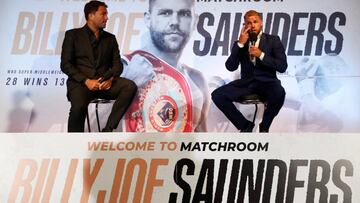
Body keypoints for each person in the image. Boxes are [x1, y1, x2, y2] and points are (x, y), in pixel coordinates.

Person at [120, 0, 209, 132]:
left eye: (184, 14)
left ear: (194, 21)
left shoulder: (197, 80)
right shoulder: (125, 66)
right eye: (165, 13)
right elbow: (94, 128)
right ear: (148, 19)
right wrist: (128, 85)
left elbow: (201, 143)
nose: (175, 22)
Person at [60, 0, 137, 132]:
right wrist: (86, 81)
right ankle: (73, 143)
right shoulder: (72, 35)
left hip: (104, 84)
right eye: (103, 14)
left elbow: (118, 65)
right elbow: (65, 64)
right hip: (81, 84)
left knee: (129, 87)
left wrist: (110, 79)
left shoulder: (110, 38)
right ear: (91, 15)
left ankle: (108, 129)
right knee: (78, 107)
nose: (107, 18)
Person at [211, 10, 287, 133]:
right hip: (247, 83)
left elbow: (282, 66)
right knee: (217, 95)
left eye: (255, 22)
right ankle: (245, 125)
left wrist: (261, 54)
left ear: (261, 23)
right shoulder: (241, 42)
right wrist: (240, 44)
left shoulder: (273, 40)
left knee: (279, 93)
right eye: (248, 23)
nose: (252, 25)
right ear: (244, 25)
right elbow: (230, 67)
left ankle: (265, 127)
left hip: (268, 82)